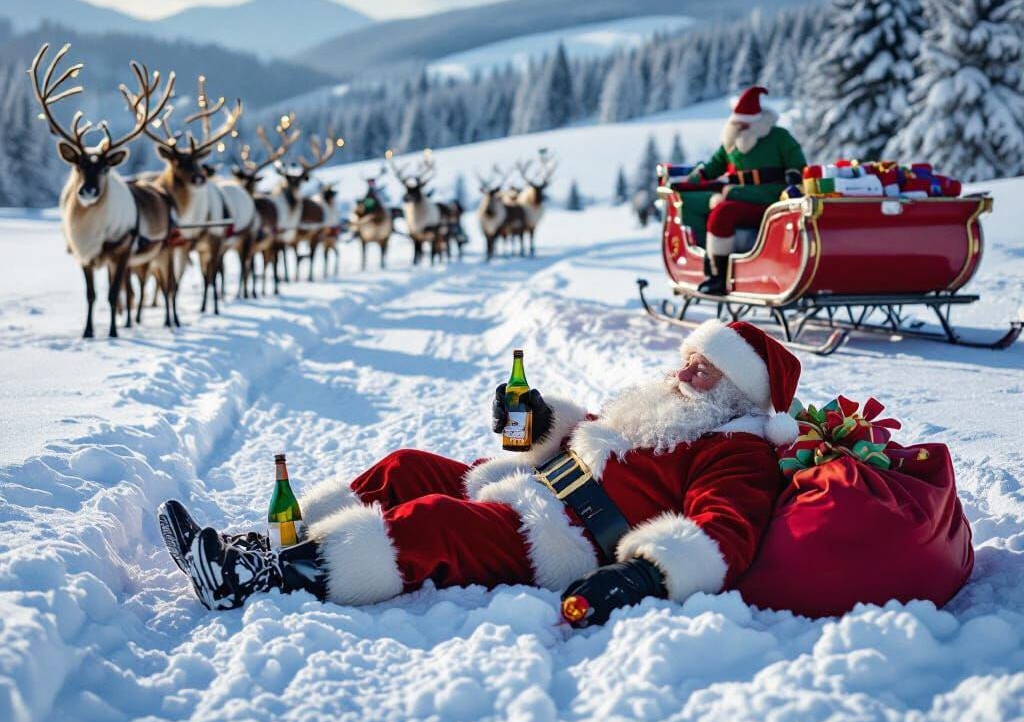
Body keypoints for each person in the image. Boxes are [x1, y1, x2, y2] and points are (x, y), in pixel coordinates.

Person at [158, 320, 801, 627]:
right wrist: (540, 417)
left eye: (705, 368)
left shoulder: (738, 450)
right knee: (408, 467)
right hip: (538, 486)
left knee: (435, 522)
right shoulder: (667, 412)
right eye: (688, 359)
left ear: (740, 393)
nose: (684, 372)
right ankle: (267, 541)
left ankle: (262, 579)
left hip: (565, 536)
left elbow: (726, 533)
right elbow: (591, 436)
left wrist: (640, 573)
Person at [681, 86, 806, 294]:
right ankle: (713, 265)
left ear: (755, 120)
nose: (737, 124)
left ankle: (719, 277)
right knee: (710, 206)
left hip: (770, 198)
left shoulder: (778, 137)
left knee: (723, 211)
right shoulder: (732, 140)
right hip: (740, 196)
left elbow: (797, 164)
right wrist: (693, 179)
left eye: (742, 120)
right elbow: (715, 165)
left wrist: (793, 176)